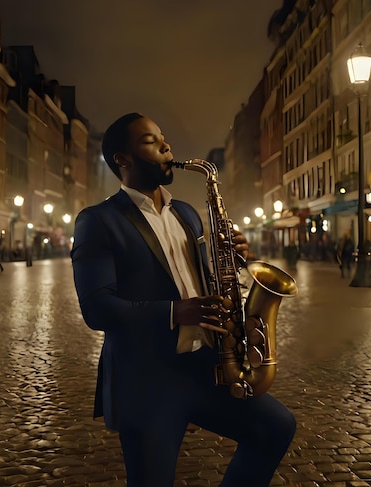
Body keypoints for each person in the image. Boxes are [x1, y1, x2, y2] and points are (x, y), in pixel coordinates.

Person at [71, 113, 295, 487]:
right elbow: (97, 309)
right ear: (121, 159)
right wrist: (176, 312)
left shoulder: (187, 214)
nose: (165, 145)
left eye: (163, 137)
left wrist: (232, 259)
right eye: (149, 140)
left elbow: (201, 280)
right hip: (148, 381)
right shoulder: (98, 220)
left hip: (206, 368)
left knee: (276, 427)